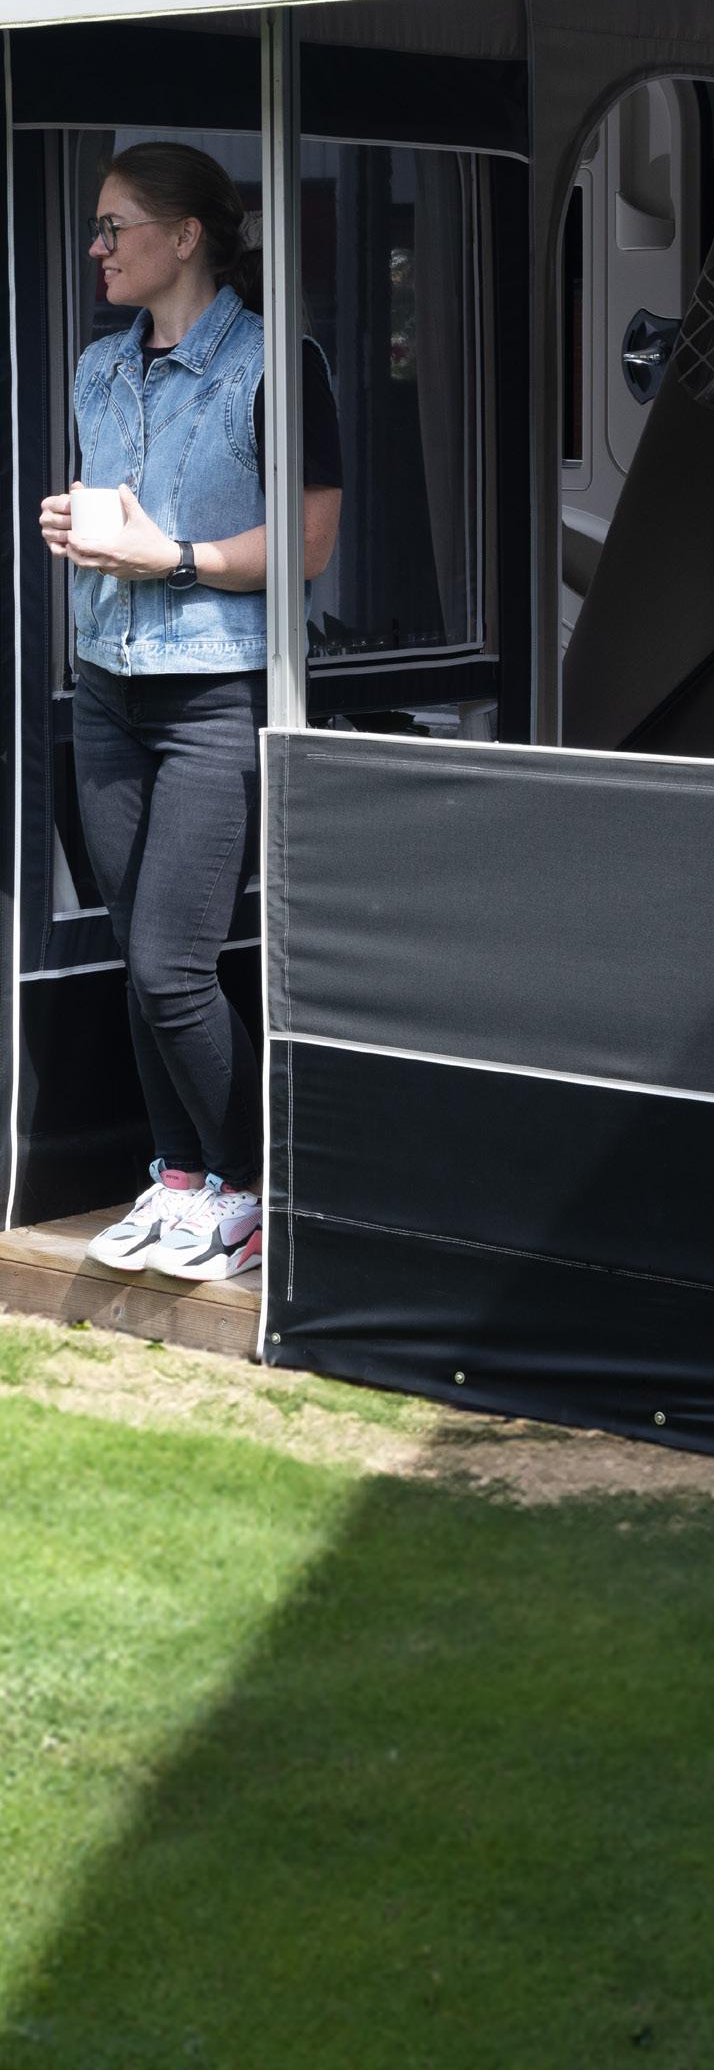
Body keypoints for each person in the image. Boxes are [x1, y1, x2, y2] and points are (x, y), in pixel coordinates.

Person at [38, 142, 344, 1287]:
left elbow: (306, 547)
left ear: (185, 236)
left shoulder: (276, 363)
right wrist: (83, 530)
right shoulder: (97, 367)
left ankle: (255, 1188)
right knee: (140, 959)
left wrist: (164, 556)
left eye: (115, 226)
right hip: (106, 691)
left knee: (173, 966)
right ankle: (180, 1181)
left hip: (215, 696)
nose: (97, 247)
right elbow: (125, 516)